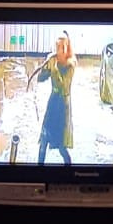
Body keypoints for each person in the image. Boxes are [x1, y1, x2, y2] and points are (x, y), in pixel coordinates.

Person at [34, 31, 75, 165]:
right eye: (57, 47)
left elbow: (63, 85)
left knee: (61, 146)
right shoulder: (52, 60)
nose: (59, 50)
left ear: (67, 48)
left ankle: (69, 170)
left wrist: (55, 68)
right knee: (44, 140)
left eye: (62, 47)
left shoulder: (71, 64)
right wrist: (45, 69)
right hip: (52, 103)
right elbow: (41, 79)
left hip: (62, 107)